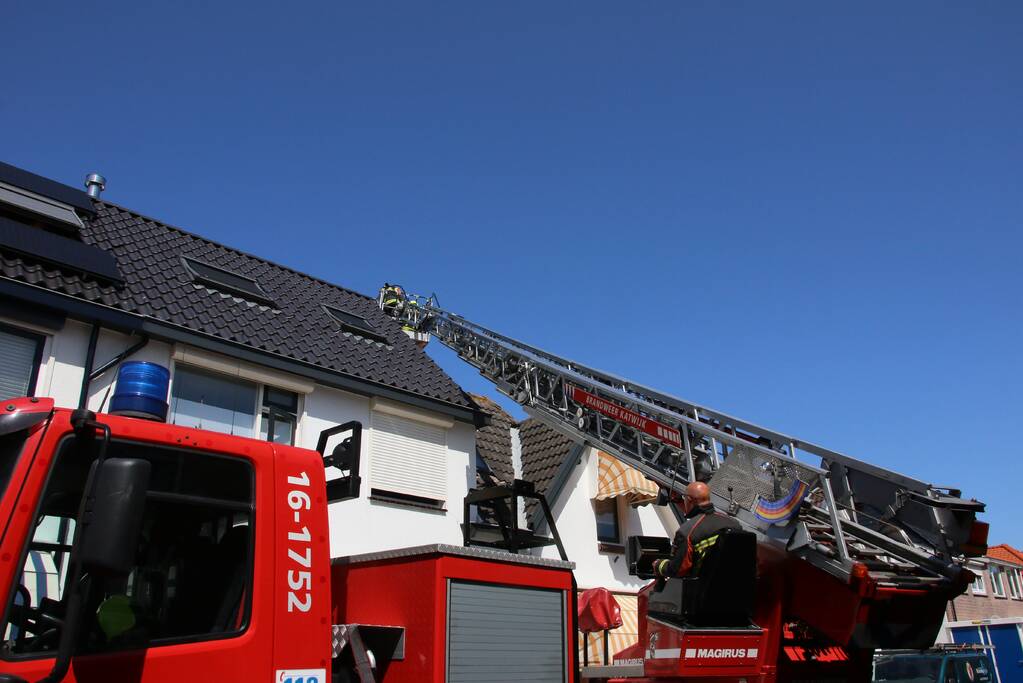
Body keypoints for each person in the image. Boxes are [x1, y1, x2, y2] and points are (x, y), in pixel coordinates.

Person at [654, 481, 740, 580]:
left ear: (689, 499)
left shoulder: (687, 532)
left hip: (705, 591)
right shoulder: (734, 524)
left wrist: (659, 565)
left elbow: (679, 569)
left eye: (684, 498)